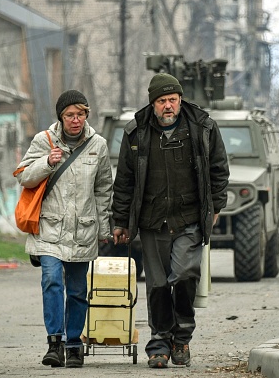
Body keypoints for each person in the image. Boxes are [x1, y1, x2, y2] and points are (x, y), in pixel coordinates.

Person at [111, 73, 230, 368]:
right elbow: (124, 180)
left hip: (189, 218)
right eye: (162, 100)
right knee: (158, 284)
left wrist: (216, 205)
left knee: (185, 274)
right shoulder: (136, 132)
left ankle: (182, 339)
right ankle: (160, 344)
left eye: (172, 100)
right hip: (152, 222)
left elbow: (219, 169)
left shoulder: (203, 127)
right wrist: (121, 220)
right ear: (153, 103)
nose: (168, 106)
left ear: (180, 100)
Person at [15, 90, 113, 368]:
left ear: (86, 115)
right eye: (70, 115)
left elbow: (104, 189)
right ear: (61, 116)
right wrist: (47, 162)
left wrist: (104, 228)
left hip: (83, 230)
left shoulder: (98, 145)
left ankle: (74, 344)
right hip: (49, 228)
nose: (75, 120)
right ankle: (54, 343)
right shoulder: (43, 141)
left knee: (79, 291)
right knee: (52, 281)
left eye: (80, 114)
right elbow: (23, 176)